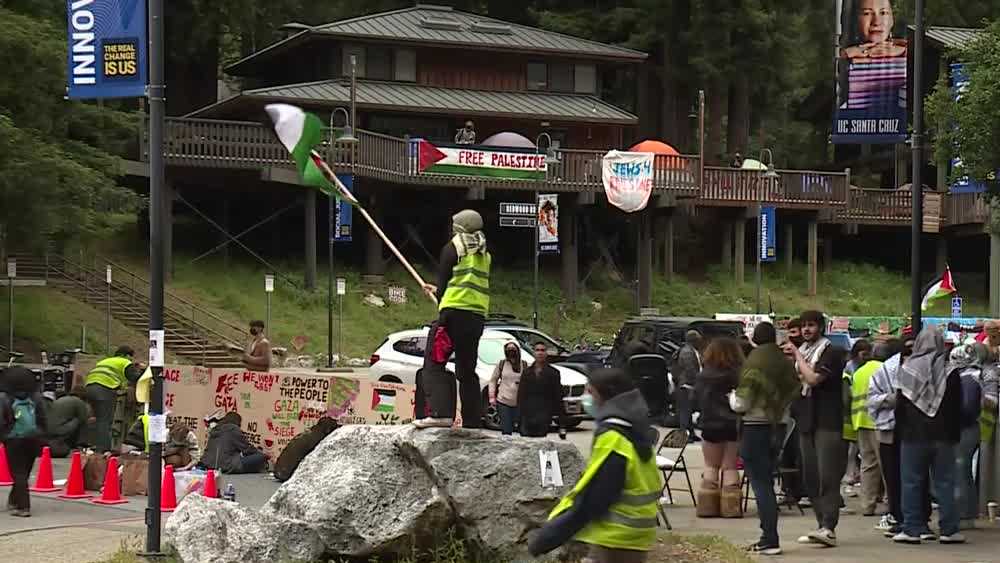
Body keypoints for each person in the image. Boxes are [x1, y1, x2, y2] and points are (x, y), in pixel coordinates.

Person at [528, 368, 662, 563]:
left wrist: (549, 536)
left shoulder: (613, 438)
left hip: (616, 539)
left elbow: (595, 498)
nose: (585, 398)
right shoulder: (634, 428)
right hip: (633, 535)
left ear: (605, 396)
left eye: (589, 392)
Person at [415, 210, 491, 429]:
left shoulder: (452, 249)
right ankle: (472, 422)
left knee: (434, 361)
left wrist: (441, 296)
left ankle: (440, 413)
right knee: (467, 372)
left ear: (460, 227)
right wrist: (440, 291)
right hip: (475, 318)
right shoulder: (484, 254)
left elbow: (446, 283)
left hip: (451, 317)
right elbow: (465, 283)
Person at [731, 322, 800, 556]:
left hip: (755, 426)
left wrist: (731, 398)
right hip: (779, 425)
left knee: (761, 484)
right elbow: (795, 390)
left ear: (755, 339)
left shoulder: (755, 361)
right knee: (767, 481)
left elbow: (743, 401)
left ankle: (769, 538)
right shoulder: (783, 361)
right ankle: (769, 536)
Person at [892, 329, 964, 544]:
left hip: (913, 436)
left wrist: (902, 431)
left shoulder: (907, 370)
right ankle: (949, 530)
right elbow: (956, 409)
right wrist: (953, 435)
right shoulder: (951, 372)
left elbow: (899, 407)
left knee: (911, 483)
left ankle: (912, 528)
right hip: (944, 437)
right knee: (945, 483)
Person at [783, 310, 847, 547]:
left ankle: (829, 526)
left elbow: (812, 379)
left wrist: (797, 355)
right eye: (804, 326)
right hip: (806, 421)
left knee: (827, 476)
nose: (807, 330)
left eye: (811, 325)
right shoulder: (807, 352)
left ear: (821, 327)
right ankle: (821, 525)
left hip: (827, 422)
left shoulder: (831, 352)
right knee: (810, 476)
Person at [694, 337, 745, 519]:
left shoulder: (703, 376)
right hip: (733, 424)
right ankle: (731, 507)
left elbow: (695, 400)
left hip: (710, 424)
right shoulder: (740, 375)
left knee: (711, 465)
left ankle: (707, 507)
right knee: (730, 466)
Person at [867, 338, 908, 534]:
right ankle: (897, 515)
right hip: (889, 431)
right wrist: (891, 399)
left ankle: (908, 517)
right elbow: (872, 398)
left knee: (907, 476)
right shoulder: (883, 372)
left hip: (907, 432)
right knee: (892, 476)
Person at [949, 343, 991, 528]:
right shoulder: (975, 376)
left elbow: (967, 407)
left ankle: (964, 514)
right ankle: (968, 512)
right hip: (971, 427)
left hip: (964, 429)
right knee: (964, 470)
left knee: (960, 470)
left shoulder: (967, 378)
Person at [0, 367, 48, 517]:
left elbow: (1, 421)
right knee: (24, 472)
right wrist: (41, 435)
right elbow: (43, 419)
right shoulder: (36, 398)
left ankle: (23, 507)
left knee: (18, 473)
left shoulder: (4, 398)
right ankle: (14, 500)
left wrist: (4, 437)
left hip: (13, 439)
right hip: (33, 438)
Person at [849, 342, 888, 517]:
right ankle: (890, 503)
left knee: (867, 464)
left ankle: (867, 504)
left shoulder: (859, 372)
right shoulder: (885, 370)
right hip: (880, 422)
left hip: (860, 421)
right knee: (886, 464)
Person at [84, 346, 142, 452]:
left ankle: (91, 445)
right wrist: (141, 370)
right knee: (105, 420)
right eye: (131, 357)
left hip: (89, 387)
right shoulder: (125, 362)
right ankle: (103, 450)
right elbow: (134, 377)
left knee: (95, 418)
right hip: (104, 388)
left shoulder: (105, 361)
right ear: (127, 355)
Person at [518, 343, 566, 438]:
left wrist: (562, 424)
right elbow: (521, 396)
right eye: (537, 350)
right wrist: (518, 417)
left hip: (544, 415)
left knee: (540, 443)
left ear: (546, 353)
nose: (540, 353)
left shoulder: (553, 373)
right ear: (534, 353)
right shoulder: (527, 372)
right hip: (527, 415)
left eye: (542, 350)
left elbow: (558, 396)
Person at [273, 417, 339, 482]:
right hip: (286, 473)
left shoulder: (311, 433)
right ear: (327, 429)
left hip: (279, 470)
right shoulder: (318, 437)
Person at [202, 412, 269, 474]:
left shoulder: (215, 429)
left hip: (209, 464)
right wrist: (263, 454)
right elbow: (247, 449)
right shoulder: (233, 429)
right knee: (261, 457)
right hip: (226, 466)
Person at [840, 0, 906, 59]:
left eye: (883, 13)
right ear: (854, 19)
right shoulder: (841, 54)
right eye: (867, 13)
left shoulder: (908, 49)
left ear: (892, 19)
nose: (876, 22)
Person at [489, 342, 528, 437]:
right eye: (508, 349)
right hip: (503, 401)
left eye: (513, 349)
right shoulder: (501, 364)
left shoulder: (524, 364)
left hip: (519, 403)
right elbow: (493, 380)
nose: (511, 352)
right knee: (506, 430)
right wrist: (491, 396)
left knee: (523, 430)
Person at [46, 385, 93, 458]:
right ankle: (81, 446)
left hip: (49, 430)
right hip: (60, 430)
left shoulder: (61, 399)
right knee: (78, 420)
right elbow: (83, 419)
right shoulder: (79, 402)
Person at [674, 330, 703, 442]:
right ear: (694, 340)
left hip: (689, 385)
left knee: (688, 410)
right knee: (685, 411)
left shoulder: (692, 350)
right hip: (687, 385)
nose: (700, 342)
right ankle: (684, 435)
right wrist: (698, 382)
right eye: (698, 339)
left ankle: (690, 433)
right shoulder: (687, 352)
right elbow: (690, 370)